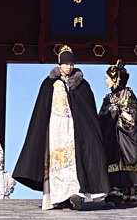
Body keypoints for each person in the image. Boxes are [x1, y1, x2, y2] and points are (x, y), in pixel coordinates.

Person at [11, 45, 109, 210]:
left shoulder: (81, 84)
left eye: (71, 64)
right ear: (59, 64)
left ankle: (74, 193)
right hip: (55, 127)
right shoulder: (49, 84)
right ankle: (59, 198)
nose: (69, 67)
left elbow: (88, 111)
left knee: (73, 160)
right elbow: (41, 110)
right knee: (56, 162)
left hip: (73, 128)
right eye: (66, 64)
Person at [99, 61, 137, 204]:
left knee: (126, 162)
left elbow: (133, 116)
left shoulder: (128, 95)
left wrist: (119, 113)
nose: (106, 81)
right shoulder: (108, 98)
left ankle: (129, 192)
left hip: (124, 137)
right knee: (113, 163)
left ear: (115, 79)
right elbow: (102, 116)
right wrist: (111, 112)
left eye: (107, 78)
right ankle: (114, 193)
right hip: (112, 138)